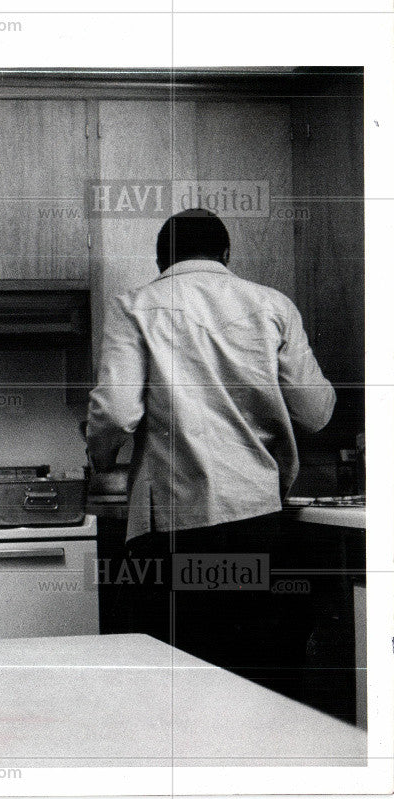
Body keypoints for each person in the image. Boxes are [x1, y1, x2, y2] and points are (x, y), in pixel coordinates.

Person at [86, 208, 335, 696]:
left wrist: (100, 459)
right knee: (260, 680)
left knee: (183, 683)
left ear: (162, 262)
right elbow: (317, 411)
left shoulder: (137, 305)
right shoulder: (273, 306)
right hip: (257, 521)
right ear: (225, 255)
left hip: (175, 529)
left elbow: (115, 414)